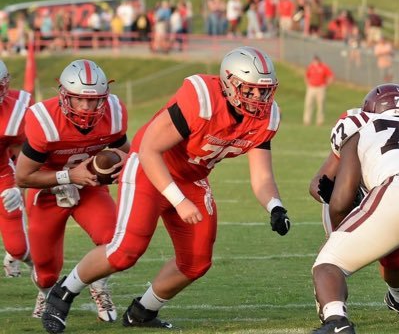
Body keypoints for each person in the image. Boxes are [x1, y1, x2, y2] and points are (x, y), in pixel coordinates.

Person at [40, 46, 291, 334]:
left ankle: (142, 312)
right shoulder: (202, 99)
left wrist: (275, 206)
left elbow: (261, 176)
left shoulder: (266, 118)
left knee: (196, 262)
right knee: (126, 251)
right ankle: (63, 292)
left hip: (192, 177)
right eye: (250, 90)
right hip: (150, 167)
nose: (258, 98)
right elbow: (149, 149)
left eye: (264, 90)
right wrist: (179, 200)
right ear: (228, 83)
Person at [15, 59, 130, 321]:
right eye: (79, 99)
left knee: (114, 241)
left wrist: (116, 168)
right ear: (64, 95)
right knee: (46, 271)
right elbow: (23, 177)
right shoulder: (43, 119)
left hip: (89, 187)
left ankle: (98, 284)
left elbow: (124, 153)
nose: (87, 107)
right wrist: (68, 175)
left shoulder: (113, 112)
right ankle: (46, 293)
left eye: (94, 100)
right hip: (48, 191)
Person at [310, 83, 399, 333]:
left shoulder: (360, 125)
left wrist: (337, 234)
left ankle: (336, 322)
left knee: (328, 264)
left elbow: (339, 199)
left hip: (395, 190)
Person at [0, 60, 32, 278]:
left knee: (18, 248)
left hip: (2, 174)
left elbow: (29, 154)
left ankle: (35, 263)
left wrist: (18, 186)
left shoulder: (16, 111)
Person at [303, 55, 334, 126]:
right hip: (311, 88)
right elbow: (306, 76)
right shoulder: (311, 67)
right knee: (308, 104)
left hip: (321, 88)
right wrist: (308, 83)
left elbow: (330, 76)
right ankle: (307, 120)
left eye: (316, 60)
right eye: (314, 60)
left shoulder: (324, 67)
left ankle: (320, 121)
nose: (315, 62)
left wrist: (326, 85)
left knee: (320, 105)